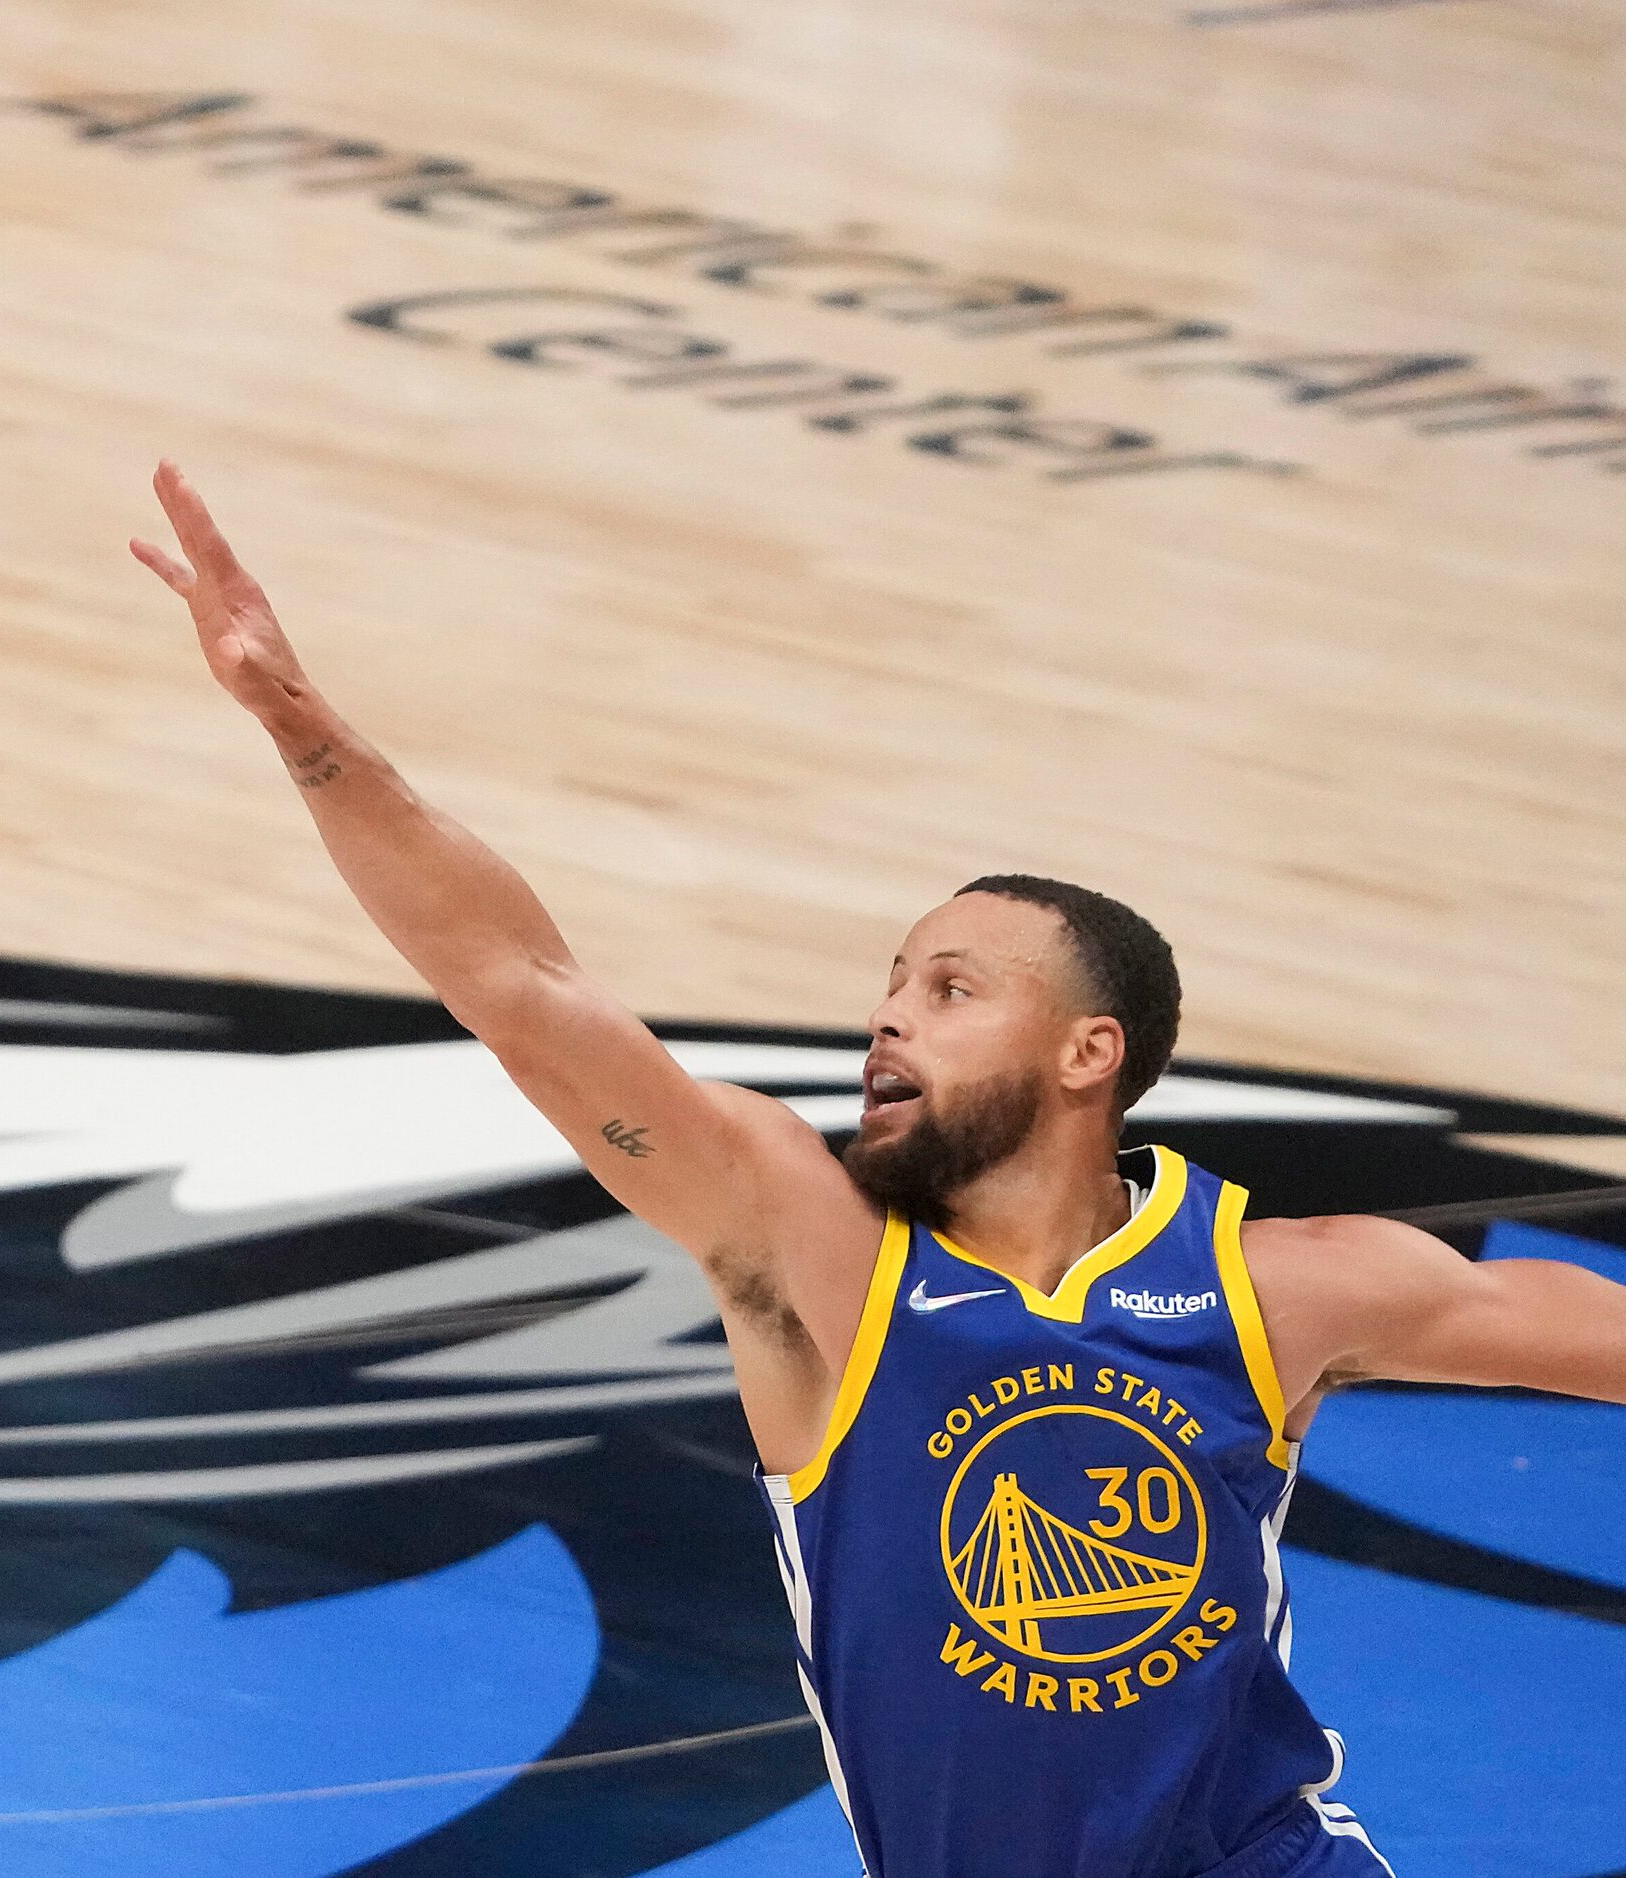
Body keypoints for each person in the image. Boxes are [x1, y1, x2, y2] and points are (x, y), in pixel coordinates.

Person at [130, 461, 1626, 1878]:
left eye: (954, 988)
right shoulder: (816, 1256)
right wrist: (306, 732)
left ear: (1086, 1053)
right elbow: (520, 985)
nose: (891, 1013)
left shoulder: (1275, 1287)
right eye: (893, 982)